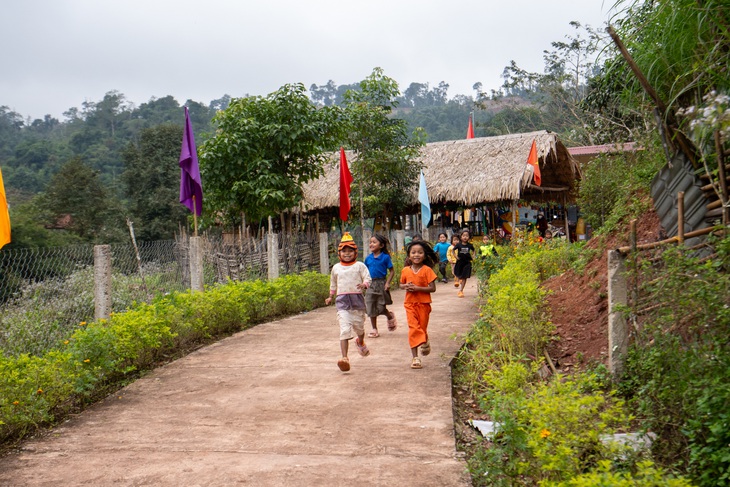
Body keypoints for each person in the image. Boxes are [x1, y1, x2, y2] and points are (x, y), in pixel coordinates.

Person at [325, 232, 372, 372]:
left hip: (357, 302)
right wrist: (330, 296)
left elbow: (367, 278)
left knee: (359, 328)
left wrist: (364, 285)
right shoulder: (336, 268)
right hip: (342, 303)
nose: (347, 253)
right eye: (344, 251)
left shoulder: (360, 266)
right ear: (339, 253)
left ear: (355, 252)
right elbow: (333, 283)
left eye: (350, 251)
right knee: (344, 329)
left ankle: (360, 341)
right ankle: (344, 358)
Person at [400, 240, 438, 369]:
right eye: (413, 252)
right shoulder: (405, 270)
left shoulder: (427, 270)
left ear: (425, 255)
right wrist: (405, 286)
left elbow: (432, 288)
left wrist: (417, 288)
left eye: (420, 252)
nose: (417, 255)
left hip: (424, 304)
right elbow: (401, 285)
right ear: (409, 256)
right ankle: (415, 358)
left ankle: (425, 341)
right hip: (410, 304)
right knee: (413, 329)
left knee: (421, 328)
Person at [364, 234, 397, 338]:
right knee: (370, 306)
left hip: (381, 284)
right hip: (370, 284)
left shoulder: (385, 257)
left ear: (381, 245)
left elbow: (391, 271)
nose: (371, 244)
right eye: (370, 242)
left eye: (374, 242)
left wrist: (387, 283)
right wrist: (364, 283)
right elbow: (364, 272)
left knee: (381, 307)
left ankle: (389, 315)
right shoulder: (368, 258)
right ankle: (374, 329)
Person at [453, 229, 475, 298]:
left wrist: (473, 256)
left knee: (465, 277)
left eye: (467, 236)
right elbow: (453, 250)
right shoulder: (458, 245)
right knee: (459, 274)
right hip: (460, 262)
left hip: (467, 262)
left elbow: (474, 250)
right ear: (461, 237)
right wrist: (456, 256)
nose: (465, 237)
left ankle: (461, 290)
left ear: (469, 237)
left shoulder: (470, 245)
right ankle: (460, 279)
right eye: (463, 235)